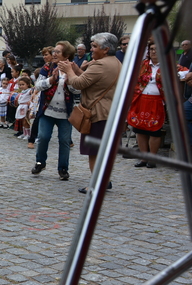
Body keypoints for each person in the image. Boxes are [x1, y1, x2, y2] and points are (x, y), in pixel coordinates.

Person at [59, 32, 121, 192]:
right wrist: (78, 70)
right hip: (109, 112)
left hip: (98, 114)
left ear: (106, 49)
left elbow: (79, 84)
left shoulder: (100, 64)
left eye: (94, 46)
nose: (90, 50)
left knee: (95, 152)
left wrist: (69, 71)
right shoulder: (115, 62)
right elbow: (91, 81)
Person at [125, 41, 187, 168]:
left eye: (157, 49)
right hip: (140, 100)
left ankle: (152, 158)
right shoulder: (143, 65)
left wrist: (177, 76)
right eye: (151, 49)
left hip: (157, 101)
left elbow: (186, 71)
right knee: (140, 129)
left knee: (154, 130)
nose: (154, 51)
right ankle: (143, 158)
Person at [31, 41, 78, 181]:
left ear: (67, 55)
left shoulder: (73, 68)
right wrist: (51, 80)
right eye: (54, 52)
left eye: (58, 52)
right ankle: (40, 162)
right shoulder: (47, 68)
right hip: (47, 110)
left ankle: (63, 168)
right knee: (43, 137)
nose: (54, 54)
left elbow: (79, 90)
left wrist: (70, 81)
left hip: (65, 112)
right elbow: (38, 86)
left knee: (64, 141)